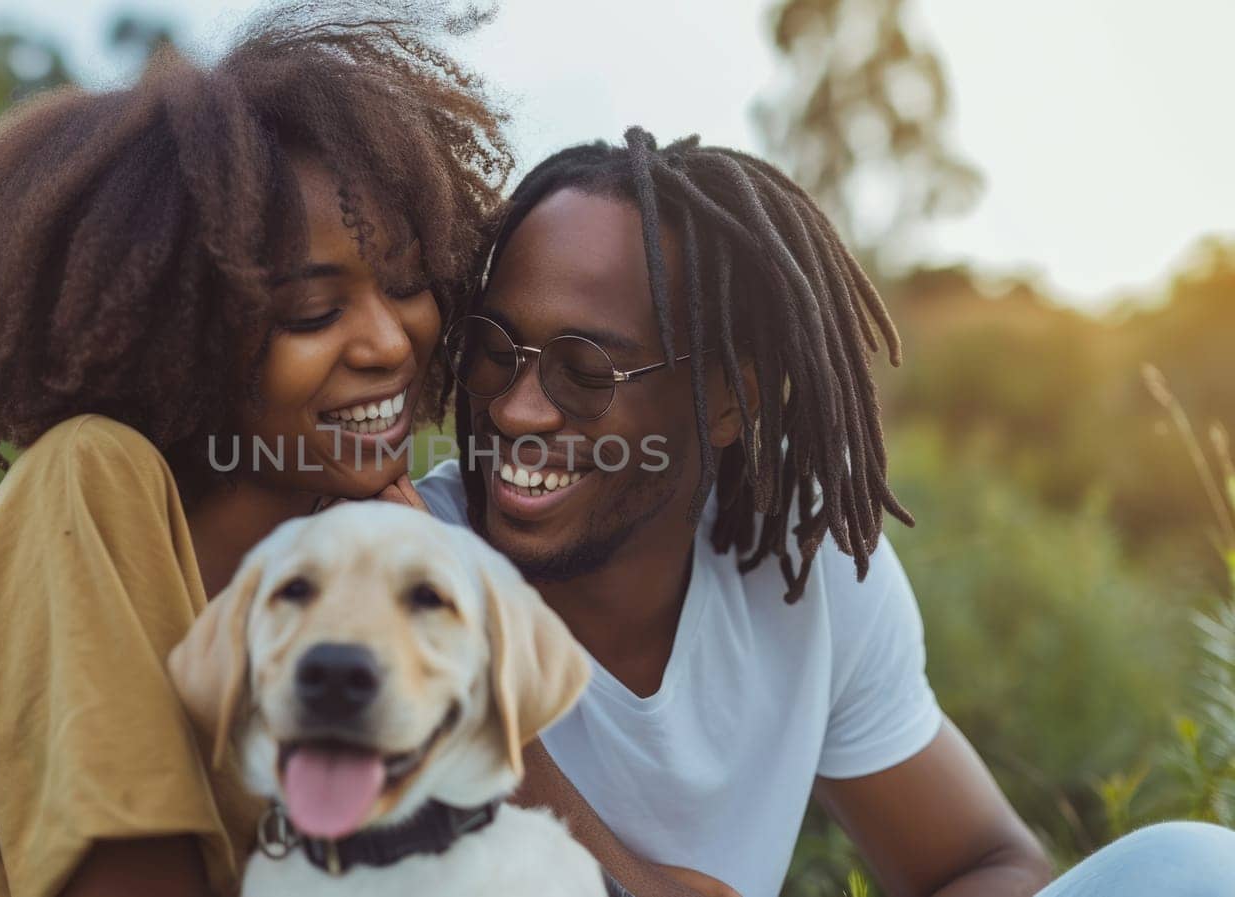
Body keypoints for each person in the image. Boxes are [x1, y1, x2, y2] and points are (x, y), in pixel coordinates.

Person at [416, 128, 1235, 897]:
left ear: (728, 402)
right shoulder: (397, 564)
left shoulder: (801, 562)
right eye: (495, 348)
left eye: (585, 371)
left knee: (1197, 867)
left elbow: (992, 862)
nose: (518, 411)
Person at [0, 10, 509, 897]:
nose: (388, 342)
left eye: (408, 286)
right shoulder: (90, 478)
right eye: (314, 313)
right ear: (189, 326)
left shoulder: (353, 549)